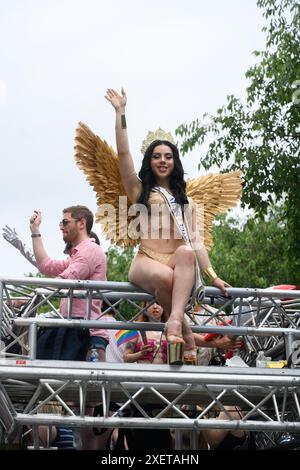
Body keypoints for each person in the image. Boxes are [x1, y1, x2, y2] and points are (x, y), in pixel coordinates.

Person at [105, 88, 230, 364]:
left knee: (185, 252)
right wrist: (120, 114)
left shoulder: (187, 202)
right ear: (149, 161)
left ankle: (174, 322)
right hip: (146, 261)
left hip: (176, 263)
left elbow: (196, 243)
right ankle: (185, 330)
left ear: (175, 162)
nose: (163, 161)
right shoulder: (140, 191)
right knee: (165, 278)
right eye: (157, 156)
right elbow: (123, 154)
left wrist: (213, 276)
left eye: (168, 156)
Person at [29, 205, 108, 360]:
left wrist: (29, 297)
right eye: (61, 223)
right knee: (52, 379)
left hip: (86, 331)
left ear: (81, 223)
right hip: (72, 326)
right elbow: (46, 265)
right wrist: (35, 231)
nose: (61, 227)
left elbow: (65, 280)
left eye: (65, 222)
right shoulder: (76, 255)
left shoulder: (90, 250)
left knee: (77, 383)